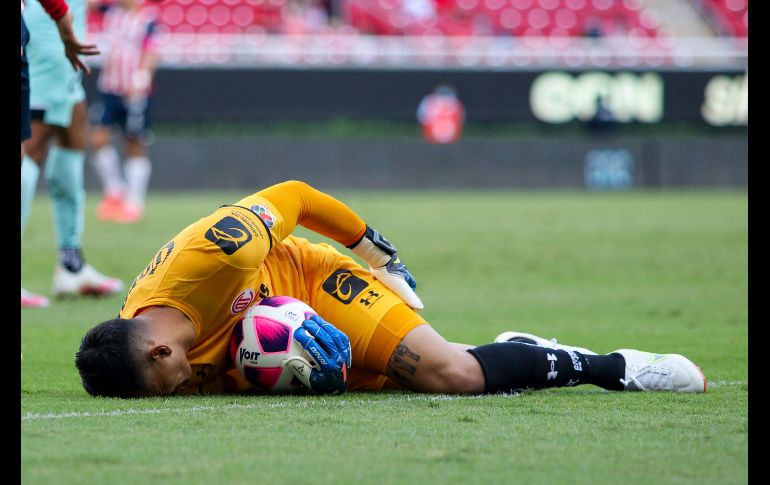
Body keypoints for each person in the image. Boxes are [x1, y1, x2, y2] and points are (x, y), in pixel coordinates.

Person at [75, 180, 707, 398]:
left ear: (160, 351)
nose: (177, 390)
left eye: (167, 385)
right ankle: (517, 349)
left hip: (312, 280)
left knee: (453, 376)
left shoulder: (216, 252)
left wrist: (378, 253)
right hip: (275, 337)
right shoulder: (139, 342)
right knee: (410, 379)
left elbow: (295, 195)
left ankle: (613, 368)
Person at [22, 0, 123, 308]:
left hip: (65, 48)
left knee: (72, 136)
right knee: (30, 148)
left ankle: (71, 264)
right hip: (46, 44)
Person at [88, 0, 160, 224]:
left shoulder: (147, 19)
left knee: (134, 142)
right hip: (110, 88)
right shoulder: (111, 12)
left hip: (134, 92)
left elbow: (152, 51)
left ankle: (134, 203)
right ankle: (115, 191)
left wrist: (142, 78)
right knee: (98, 138)